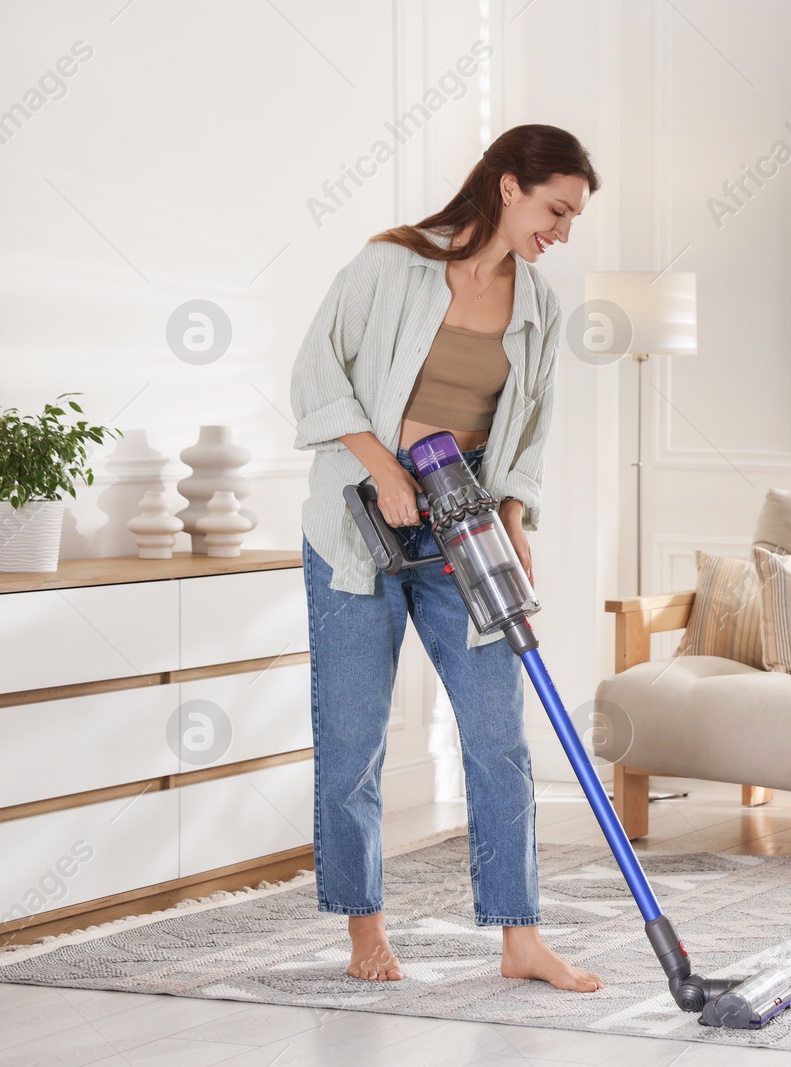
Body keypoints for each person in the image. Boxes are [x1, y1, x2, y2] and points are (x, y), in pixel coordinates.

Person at [289, 124, 603, 991]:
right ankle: (364, 931)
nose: (562, 231)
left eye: (572, 217)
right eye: (556, 210)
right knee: (352, 739)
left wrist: (512, 516)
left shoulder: (537, 304)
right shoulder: (391, 265)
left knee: (499, 735)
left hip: (464, 527)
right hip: (360, 523)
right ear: (509, 186)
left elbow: (530, 426)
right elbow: (318, 376)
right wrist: (385, 470)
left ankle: (520, 936)